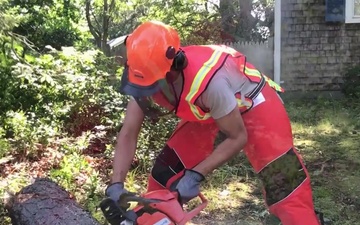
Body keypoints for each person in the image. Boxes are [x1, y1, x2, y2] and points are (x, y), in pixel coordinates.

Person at [104, 20, 323, 225]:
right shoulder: (144, 75)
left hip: (253, 104)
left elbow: (237, 137)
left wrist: (196, 174)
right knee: (165, 175)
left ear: (175, 68)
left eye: (157, 86)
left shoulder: (210, 82)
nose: (153, 94)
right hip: (208, 111)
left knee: (285, 186)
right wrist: (116, 184)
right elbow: (129, 132)